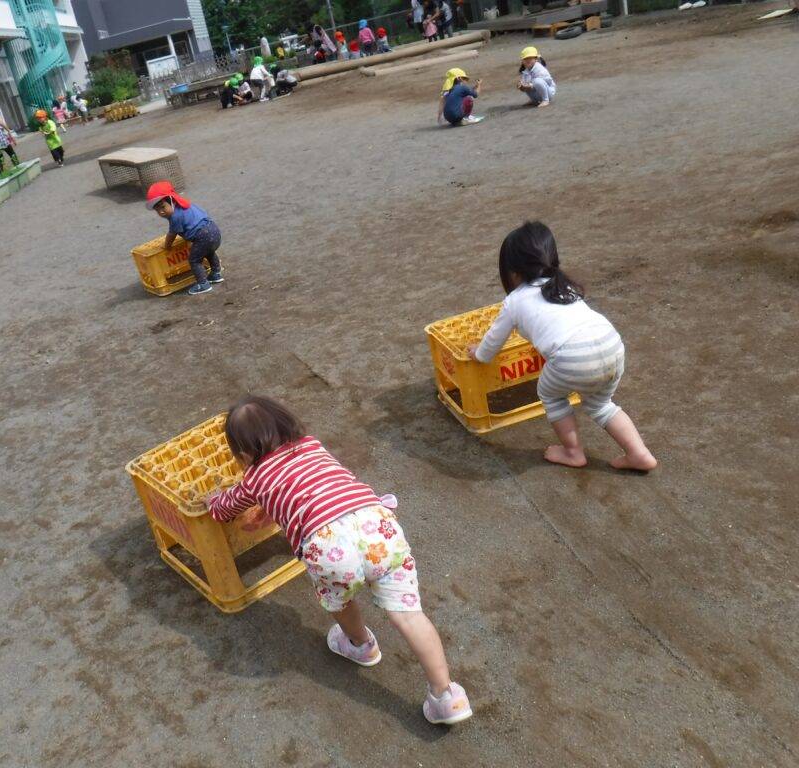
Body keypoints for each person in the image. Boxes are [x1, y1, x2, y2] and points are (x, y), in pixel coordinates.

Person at [207, 395, 474, 726]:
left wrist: (213, 501)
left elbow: (223, 509)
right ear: (287, 425)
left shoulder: (254, 477)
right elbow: (311, 485)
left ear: (244, 455)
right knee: (409, 614)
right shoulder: (310, 445)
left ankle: (360, 644)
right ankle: (446, 696)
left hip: (328, 546)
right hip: (377, 526)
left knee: (339, 599)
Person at [469, 222, 658, 471]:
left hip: (572, 357)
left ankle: (573, 452)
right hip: (611, 344)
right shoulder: (562, 285)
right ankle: (638, 453)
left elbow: (491, 344)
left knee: (551, 395)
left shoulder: (514, 301)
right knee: (601, 404)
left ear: (512, 272)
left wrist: (478, 353)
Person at [146, 180, 223, 296]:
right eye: (157, 210)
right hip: (214, 230)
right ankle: (216, 273)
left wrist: (166, 246)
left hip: (202, 236)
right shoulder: (187, 204)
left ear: (171, 201)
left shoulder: (175, 216)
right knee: (209, 252)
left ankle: (203, 284)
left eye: (163, 207)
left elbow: (172, 234)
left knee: (194, 260)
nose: (161, 212)